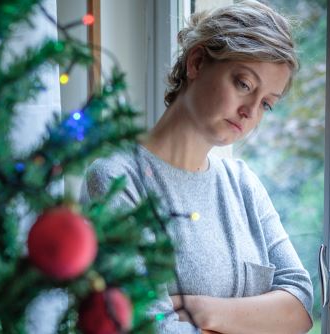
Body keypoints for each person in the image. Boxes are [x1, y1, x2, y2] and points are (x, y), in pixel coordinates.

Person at [80, 1, 314, 333]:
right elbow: (147, 328)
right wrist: (260, 319)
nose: (250, 111)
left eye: (266, 104)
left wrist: (201, 311)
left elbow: (301, 305)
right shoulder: (116, 179)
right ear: (197, 62)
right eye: (244, 84)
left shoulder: (243, 183)